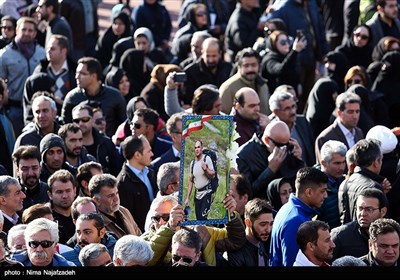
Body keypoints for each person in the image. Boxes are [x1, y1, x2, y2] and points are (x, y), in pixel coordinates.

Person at [269, 167, 328, 267]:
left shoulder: (289, 209)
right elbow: (292, 262)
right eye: (322, 191)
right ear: (309, 192)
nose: (326, 195)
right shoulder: (296, 220)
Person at [0, 16, 45, 136]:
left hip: (37, 108)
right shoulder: (5, 55)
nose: (27, 33)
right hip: (14, 107)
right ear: (17, 31)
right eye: (23, 29)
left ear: (35, 33)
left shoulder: (42, 53)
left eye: (30, 31)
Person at [236, 120, 304, 199]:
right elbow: (248, 193)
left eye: (287, 144)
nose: (283, 148)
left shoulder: (286, 148)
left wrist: (299, 160)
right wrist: (270, 170)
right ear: (267, 140)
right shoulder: (243, 155)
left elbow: (298, 182)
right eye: (280, 145)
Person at [61, 56, 126, 137]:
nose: (77, 77)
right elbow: (65, 128)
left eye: (82, 73)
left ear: (94, 76)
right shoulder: (72, 98)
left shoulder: (115, 96)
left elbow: (123, 126)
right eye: (77, 73)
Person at [331, 188, 388, 261]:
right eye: (360, 208)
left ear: (383, 211)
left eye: (369, 209)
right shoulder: (340, 236)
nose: (363, 214)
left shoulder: (394, 235)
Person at [116, 135, 158, 232]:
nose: (152, 154)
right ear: (137, 155)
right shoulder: (122, 184)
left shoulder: (150, 173)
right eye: (148, 151)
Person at [315, 91, 364, 163]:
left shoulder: (359, 133)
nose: (355, 116)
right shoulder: (325, 138)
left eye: (357, 111)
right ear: (339, 113)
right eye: (350, 112)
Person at [89, 173, 142, 239]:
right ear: (97, 200)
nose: (116, 199)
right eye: (110, 196)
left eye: (116, 193)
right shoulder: (94, 224)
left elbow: (139, 236)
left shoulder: (124, 211)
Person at [224, 198, 273, 267]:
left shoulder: (263, 242)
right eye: (263, 224)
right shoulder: (235, 252)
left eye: (271, 224)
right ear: (248, 222)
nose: (268, 229)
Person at [317, 140, 347, 229]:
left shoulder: (345, 181)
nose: (342, 167)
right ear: (323, 163)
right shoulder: (315, 187)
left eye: (343, 162)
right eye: (337, 163)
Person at [185, 140, 215, 220]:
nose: (197, 149)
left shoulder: (206, 159)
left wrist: (205, 169)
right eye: (195, 148)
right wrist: (187, 198)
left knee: (203, 218)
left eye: (198, 147)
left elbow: (213, 174)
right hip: (197, 194)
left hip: (207, 193)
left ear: (202, 148)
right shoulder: (192, 163)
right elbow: (191, 181)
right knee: (198, 219)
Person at [12, 145, 50, 209]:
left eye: (34, 168)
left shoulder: (48, 191)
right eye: (25, 169)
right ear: (17, 171)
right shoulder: (10, 194)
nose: (30, 173)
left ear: (40, 169)